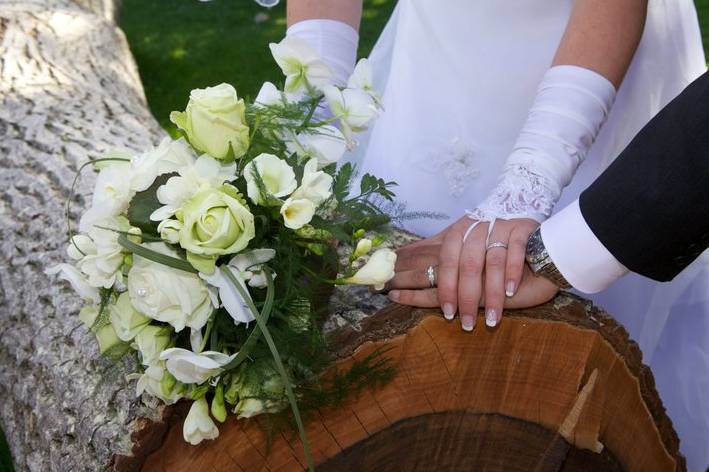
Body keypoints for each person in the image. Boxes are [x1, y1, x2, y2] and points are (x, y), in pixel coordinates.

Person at [286, 0, 707, 469]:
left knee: (555, 387)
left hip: (581, 72)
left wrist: (525, 190)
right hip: (427, 75)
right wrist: (308, 108)